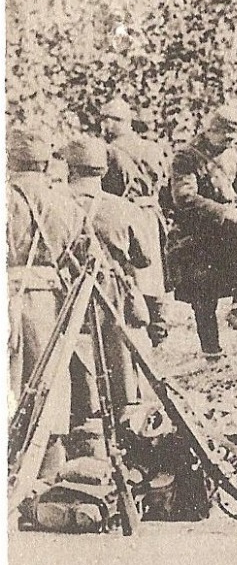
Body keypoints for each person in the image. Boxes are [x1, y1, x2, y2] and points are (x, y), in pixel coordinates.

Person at [166, 105, 237, 361]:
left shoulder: (232, 154)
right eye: (225, 137)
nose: (229, 143)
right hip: (198, 233)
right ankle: (212, 352)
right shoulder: (186, 157)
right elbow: (184, 196)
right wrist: (222, 211)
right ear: (210, 131)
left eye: (233, 139)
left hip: (229, 231)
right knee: (203, 294)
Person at [61, 135, 150, 405]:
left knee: (73, 363)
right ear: (104, 170)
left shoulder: (55, 204)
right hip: (113, 294)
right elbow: (143, 258)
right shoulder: (124, 209)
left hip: (66, 292)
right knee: (120, 361)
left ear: (71, 168)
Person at [8, 128, 84, 417]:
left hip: (9, 296)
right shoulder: (66, 204)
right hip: (50, 303)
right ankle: (50, 454)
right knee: (47, 380)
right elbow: (81, 256)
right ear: (45, 164)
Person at [99, 97, 168, 345]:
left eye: (108, 120)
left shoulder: (109, 152)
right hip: (151, 214)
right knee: (152, 271)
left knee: (132, 272)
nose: (105, 126)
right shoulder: (152, 147)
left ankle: (145, 330)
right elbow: (164, 182)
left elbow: (109, 189)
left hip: (126, 215)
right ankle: (158, 330)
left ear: (120, 122)